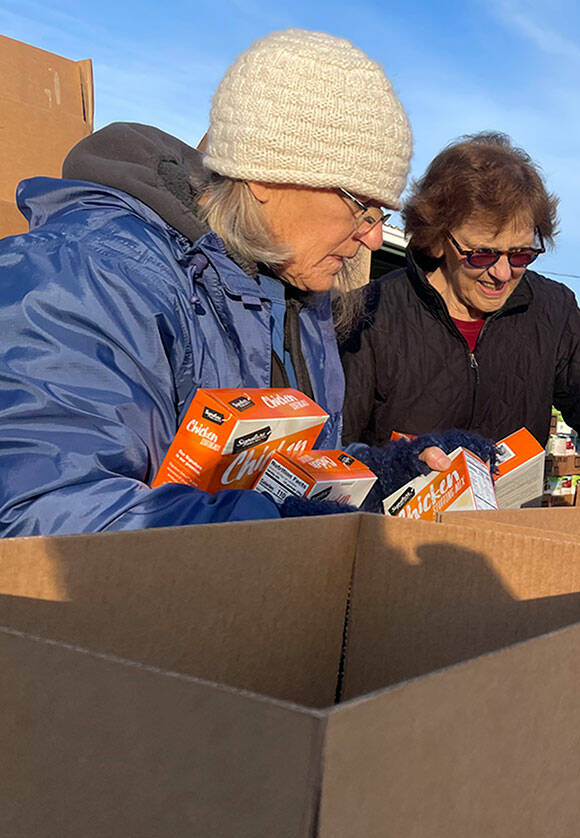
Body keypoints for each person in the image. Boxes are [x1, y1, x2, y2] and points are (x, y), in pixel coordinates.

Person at [0, 29, 413, 536]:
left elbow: (285, 470)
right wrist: (279, 531)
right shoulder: (88, 274)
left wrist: (385, 479)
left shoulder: (295, 296)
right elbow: (38, 516)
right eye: (361, 206)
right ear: (265, 175)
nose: (373, 238)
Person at [340, 132, 580, 496]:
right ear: (437, 237)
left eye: (521, 254)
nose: (503, 273)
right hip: (392, 537)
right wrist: (396, 467)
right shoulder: (371, 314)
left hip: (508, 535)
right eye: (482, 254)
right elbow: (336, 452)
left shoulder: (550, 309)